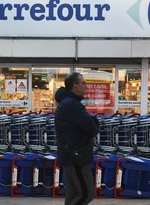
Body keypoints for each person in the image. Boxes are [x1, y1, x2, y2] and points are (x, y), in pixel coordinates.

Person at [54, 72, 99, 205]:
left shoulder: (67, 103)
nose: (86, 86)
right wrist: (94, 121)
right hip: (76, 157)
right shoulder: (72, 105)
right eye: (83, 83)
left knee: (73, 194)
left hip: (70, 155)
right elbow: (92, 128)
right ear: (75, 86)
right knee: (86, 194)